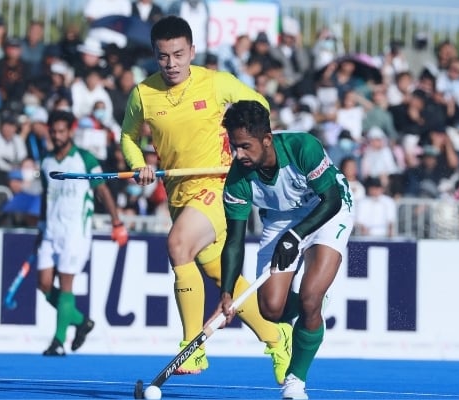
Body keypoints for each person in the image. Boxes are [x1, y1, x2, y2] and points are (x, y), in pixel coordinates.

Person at [119, 16, 292, 382]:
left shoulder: (215, 83)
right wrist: (139, 166)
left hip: (218, 187)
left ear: (192, 51)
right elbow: (128, 138)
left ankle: (192, 348)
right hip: (179, 194)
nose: (171, 64)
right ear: (154, 55)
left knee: (178, 244)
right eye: (163, 56)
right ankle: (278, 337)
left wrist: (240, 141)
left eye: (179, 54)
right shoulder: (143, 94)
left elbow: (259, 107)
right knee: (216, 271)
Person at [209, 100, 354, 399]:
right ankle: (304, 311)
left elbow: (331, 201)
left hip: (325, 210)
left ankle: (295, 381)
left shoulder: (303, 147)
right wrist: (226, 293)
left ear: (266, 139)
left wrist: (296, 235)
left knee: (312, 297)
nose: (239, 154)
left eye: (245, 146)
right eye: (235, 146)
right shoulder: (237, 179)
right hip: (279, 219)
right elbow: (234, 240)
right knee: (271, 309)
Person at [37, 110, 128, 356]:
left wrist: (116, 222)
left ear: (70, 132)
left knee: (66, 286)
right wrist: (40, 227)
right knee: (44, 285)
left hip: (75, 232)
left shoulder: (85, 159)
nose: (57, 136)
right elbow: (46, 198)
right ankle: (81, 321)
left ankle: (58, 341)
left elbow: (102, 190)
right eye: (53, 132)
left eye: (61, 131)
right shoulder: (45, 161)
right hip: (50, 232)